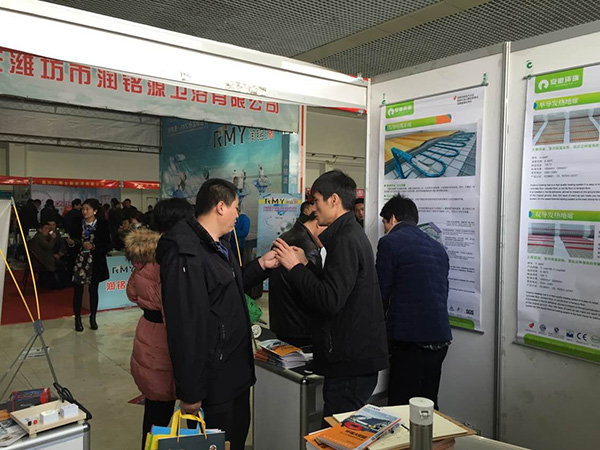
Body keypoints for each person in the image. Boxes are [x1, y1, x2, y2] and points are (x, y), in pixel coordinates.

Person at [156, 179, 279, 450]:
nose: (238, 215)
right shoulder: (186, 254)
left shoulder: (217, 245)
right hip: (213, 380)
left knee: (236, 438)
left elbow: (228, 287)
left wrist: (261, 265)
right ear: (221, 207)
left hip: (234, 372)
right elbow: (185, 326)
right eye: (236, 208)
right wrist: (190, 391)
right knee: (217, 442)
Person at [272, 170, 388, 422]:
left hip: (349, 360)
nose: (313, 208)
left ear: (334, 199)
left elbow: (329, 299)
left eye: (316, 201)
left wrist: (296, 268)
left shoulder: (345, 239)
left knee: (338, 432)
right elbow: (337, 287)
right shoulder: (347, 234)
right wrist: (307, 265)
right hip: (351, 356)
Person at [376, 195, 452, 409]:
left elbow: (380, 292)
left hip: (410, 340)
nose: (384, 229)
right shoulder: (437, 247)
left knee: (401, 405)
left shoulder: (390, 243)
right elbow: (443, 291)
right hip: (439, 338)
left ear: (392, 218)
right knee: (427, 404)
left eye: (384, 223)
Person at [269, 211, 324, 348]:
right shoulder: (309, 248)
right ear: (318, 223)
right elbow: (314, 291)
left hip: (281, 321)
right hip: (301, 325)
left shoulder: (286, 237)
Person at [68, 199, 111, 332]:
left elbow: (108, 245)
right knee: (78, 291)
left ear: (95, 211)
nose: (84, 212)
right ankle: (77, 319)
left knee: (93, 291)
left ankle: (93, 318)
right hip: (79, 261)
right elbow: (72, 241)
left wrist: (94, 247)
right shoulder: (77, 223)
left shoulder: (102, 225)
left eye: (87, 209)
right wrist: (71, 243)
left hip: (95, 261)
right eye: (83, 209)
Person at [28, 221, 63, 289]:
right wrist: (53, 239)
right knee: (61, 264)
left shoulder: (40, 237)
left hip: (41, 259)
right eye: (46, 229)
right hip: (41, 261)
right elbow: (49, 247)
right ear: (40, 230)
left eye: (48, 229)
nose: (48, 230)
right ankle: (58, 283)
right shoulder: (39, 238)